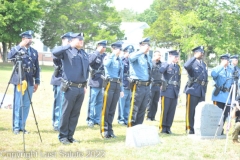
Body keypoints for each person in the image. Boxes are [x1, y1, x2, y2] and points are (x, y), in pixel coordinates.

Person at [52, 32, 89, 144]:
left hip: (80, 88)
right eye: (79, 39)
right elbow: (54, 52)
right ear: (72, 40)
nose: (81, 41)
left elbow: (85, 70)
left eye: (82, 39)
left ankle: (70, 136)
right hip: (70, 87)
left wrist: (84, 84)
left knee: (75, 113)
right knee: (66, 112)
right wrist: (69, 45)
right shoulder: (66, 51)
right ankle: (63, 136)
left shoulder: (83, 53)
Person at [8, 30, 40, 135]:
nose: (29, 40)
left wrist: (37, 81)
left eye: (30, 38)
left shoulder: (34, 51)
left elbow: (37, 68)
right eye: (27, 38)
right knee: (18, 104)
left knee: (26, 104)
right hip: (20, 80)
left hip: (30, 80)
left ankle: (22, 126)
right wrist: (19, 45)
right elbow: (9, 56)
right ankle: (16, 127)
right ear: (23, 39)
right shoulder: (17, 49)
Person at [100, 41, 124, 138]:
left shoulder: (120, 60)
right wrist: (113, 55)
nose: (120, 51)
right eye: (118, 49)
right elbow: (106, 64)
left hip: (117, 84)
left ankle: (110, 129)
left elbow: (121, 75)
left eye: (120, 49)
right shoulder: (108, 57)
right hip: (109, 83)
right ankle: (104, 130)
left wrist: (121, 88)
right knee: (106, 107)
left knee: (112, 109)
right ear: (113, 49)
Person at [127, 37, 152, 127]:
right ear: (140, 45)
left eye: (149, 45)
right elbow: (131, 58)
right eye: (146, 45)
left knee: (142, 107)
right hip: (137, 85)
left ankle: (139, 126)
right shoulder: (136, 54)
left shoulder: (147, 57)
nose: (148, 47)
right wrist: (141, 51)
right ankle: (131, 126)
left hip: (146, 85)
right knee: (135, 107)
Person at [50, 32, 72, 131]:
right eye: (69, 40)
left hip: (67, 81)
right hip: (58, 80)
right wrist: (66, 46)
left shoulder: (70, 50)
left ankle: (62, 122)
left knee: (65, 104)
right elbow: (55, 56)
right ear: (64, 40)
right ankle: (56, 123)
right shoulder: (59, 50)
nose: (70, 43)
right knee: (59, 103)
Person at [184, 46, 208, 134]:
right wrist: (194, 57)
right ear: (195, 53)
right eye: (200, 52)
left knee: (200, 110)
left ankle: (197, 127)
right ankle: (189, 127)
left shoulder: (203, 64)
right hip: (193, 89)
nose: (202, 54)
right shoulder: (192, 63)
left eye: (202, 52)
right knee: (191, 110)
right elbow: (186, 66)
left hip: (201, 90)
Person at [159, 50, 181, 134]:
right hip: (167, 90)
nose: (177, 58)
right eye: (175, 57)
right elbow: (161, 71)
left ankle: (168, 127)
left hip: (174, 91)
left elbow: (178, 80)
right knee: (165, 110)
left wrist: (178, 91)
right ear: (170, 57)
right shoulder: (165, 64)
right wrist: (168, 63)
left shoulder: (177, 67)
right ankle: (162, 127)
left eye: (177, 57)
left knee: (172, 110)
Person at [86, 40, 107, 128]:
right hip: (94, 81)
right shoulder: (93, 54)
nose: (104, 48)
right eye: (103, 46)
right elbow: (89, 62)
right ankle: (90, 119)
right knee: (92, 102)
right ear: (98, 46)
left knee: (99, 102)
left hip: (102, 82)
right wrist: (97, 52)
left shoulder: (105, 56)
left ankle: (97, 119)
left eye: (105, 47)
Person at [211, 54, 234, 134]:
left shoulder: (230, 70)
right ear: (222, 60)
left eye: (228, 60)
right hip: (219, 95)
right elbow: (213, 75)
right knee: (217, 113)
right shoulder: (217, 68)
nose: (227, 62)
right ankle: (214, 129)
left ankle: (221, 129)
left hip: (227, 95)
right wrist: (221, 66)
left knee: (226, 113)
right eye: (226, 60)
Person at [117, 45, 134, 126]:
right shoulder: (121, 60)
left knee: (128, 103)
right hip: (123, 84)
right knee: (122, 103)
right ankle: (121, 119)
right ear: (125, 52)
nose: (130, 54)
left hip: (130, 85)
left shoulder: (132, 61)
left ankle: (126, 118)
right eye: (129, 52)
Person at [146, 51, 162, 121]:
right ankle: (148, 116)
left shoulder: (161, 64)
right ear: (154, 56)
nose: (159, 57)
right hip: (151, 85)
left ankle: (153, 116)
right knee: (150, 101)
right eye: (158, 55)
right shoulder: (151, 63)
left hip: (158, 85)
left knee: (155, 101)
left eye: (160, 55)